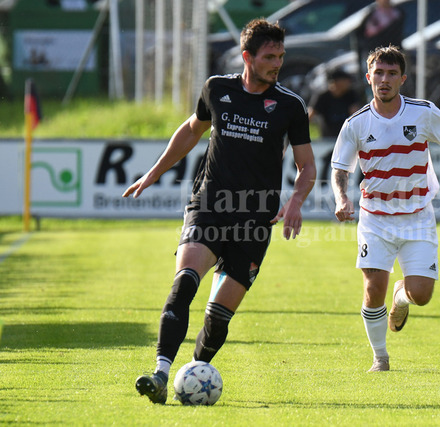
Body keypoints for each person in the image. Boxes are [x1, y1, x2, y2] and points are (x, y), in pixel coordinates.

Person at [123, 18, 316, 404]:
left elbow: (307, 165)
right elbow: (192, 130)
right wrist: (154, 172)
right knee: (185, 282)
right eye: (269, 57)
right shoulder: (217, 89)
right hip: (209, 207)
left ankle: (193, 375)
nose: (277, 64)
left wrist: (296, 201)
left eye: (280, 56)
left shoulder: (290, 106)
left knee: (218, 316)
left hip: (255, 220)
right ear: (247, 57)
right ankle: (160, 373)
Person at [331, 46, 440, 372]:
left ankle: (402, 295)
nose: (384, 80)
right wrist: (341, 198)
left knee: (422, 294)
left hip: (418, 216)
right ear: (368, 77)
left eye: (391, 74)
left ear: (403, 79)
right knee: (373, 288)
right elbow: (340, 169)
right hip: (375, 218)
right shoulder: (356, 123)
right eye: (378, 73)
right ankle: (380, 357)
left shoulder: (423, 112)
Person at [308, 68, 362, 187]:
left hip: (346, 140)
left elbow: (356, 117)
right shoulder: (323, 96)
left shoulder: (351, 95)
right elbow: (310, 116)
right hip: (327, 140)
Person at [354, 0, 405, 78]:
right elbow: (361, 35)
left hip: (392, 54)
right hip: (374, 53)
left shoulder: (397, 14)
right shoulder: (371, 15)